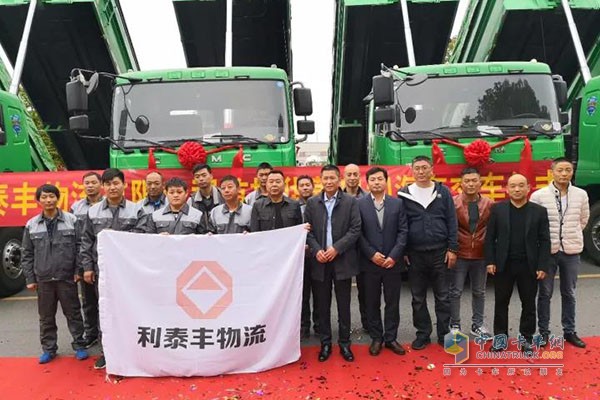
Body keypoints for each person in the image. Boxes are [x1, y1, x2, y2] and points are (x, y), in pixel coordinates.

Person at [80, 168, 140, 369]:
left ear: (124, 185)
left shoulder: (136, 210)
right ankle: (107, 352)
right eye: (108, 184)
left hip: (128, 272)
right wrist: (87, 268)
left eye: (116, 183)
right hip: (102, 271)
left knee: (129, 309)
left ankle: (131, 351)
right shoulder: (93, 211)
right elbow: (86, 241)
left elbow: (143, 237)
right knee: (104, 311)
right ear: (103, 187)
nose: (112, 187)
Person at [22, 184, 88, 364]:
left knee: (73, 313)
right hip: (43, 279)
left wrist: (78, 271)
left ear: (58, 198)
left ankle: (79, 345)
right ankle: (49, 349)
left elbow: (80, 247)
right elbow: (27, 253)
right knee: (46, 317)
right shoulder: (32, 224)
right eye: (44, 197)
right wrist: (30, 278)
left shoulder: (71, 220)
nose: (48, 200)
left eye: (51, 196)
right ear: (38, 200)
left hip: (66, 277)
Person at [485, 174, 550, 353]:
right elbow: (490, 238)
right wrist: (490, 261)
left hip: (529, 265)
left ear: (528, 188)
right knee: (501, 303)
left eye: (521, 185)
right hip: (503, 265)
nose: (517, 189)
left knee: (528, 304)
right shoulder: (498, 209)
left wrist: (542, 265)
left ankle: (526, 339)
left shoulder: (539, 211)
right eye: (513, 186)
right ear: (507, 189)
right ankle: (500, 339)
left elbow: (545, 240)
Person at [398, 155, 458, 350]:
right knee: (418, 298)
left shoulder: (443, 192)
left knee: (443, 296)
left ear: (432, 169)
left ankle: (444, 334)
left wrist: (452, 248)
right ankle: (423, 334)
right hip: (415, 254)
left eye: (425, 168)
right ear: (412, 171)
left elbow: (452, 220)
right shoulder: (404, 194)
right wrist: (404, 250)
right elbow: (402, 225)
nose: (421, 172)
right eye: (417, 168)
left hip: (440, 252)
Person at [304, 165, 361, 362]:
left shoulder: (350, 202)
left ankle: (345, 343)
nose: (329, 182)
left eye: (332, 178)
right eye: (325, 178)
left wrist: (337, 248)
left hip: (342, 259)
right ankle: (325, 343)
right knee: (322, 305)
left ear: (339, 179)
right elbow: (307, 231)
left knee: (344, 305)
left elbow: (355, 229)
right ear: (321, 180)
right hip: (320, 261)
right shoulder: (312, 203)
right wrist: (316, 250)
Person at [530, 158, 589, 348]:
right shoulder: (539, 196)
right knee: (545, 293)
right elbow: (533, 224)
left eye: (568, 170)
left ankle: (569, 331)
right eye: (560, 170)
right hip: (547, 252)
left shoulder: (581, 194)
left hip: (571, 250)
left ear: (572, 172)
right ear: (552, 172)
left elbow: (583, 219)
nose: (564, 174)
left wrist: (571, 235)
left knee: (569, 292)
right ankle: (543, 332)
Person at [358, 167, 408, 356]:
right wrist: (371, 254)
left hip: (392, 263)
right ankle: (376, 338)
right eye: (373, 179)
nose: (376, 182)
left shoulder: (398, 204)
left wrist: (394, 256)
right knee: (371, 302)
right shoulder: (359, 204)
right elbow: (357, 233)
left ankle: (391, 338)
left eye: (380, 179)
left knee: (392, 302)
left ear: (386, 181)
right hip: (369, 262)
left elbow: (403, 231)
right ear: (367, 183)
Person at [449, 168, 494, 340]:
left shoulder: (489, 204)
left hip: (481, 254)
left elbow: (493, 230)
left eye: (474, 180)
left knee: (479, 292)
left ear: (480, 183)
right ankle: (454, 324)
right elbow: (449, 229)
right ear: (461, 183)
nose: (470, 184)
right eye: (467, 181)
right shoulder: (453, 203)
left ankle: (478, 325)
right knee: (455, 291)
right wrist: (451, 250)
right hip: (459, 253)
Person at [70, 172, 103, 348]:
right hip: (85, 260)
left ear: (101, 185)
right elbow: (74, 238)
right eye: (87, 183)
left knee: (105, 301)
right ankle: (91, 333)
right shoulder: (76, 208)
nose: (90, 186)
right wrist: (78, 267)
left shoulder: (107, 205)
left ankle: (105, 333)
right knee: (88, 301)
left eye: (93, 182)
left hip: (103, 260)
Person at [343, 163, 368, 332]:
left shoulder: (367, 198)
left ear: (360, 176)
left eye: (355, 174)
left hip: (363, 250)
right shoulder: (337, 197)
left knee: (365, 291)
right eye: (349, 174)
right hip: (344, 250)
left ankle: (368, 323)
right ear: (343, 177)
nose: (352, 178)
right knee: (343, 293)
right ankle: (344, 327)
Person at [141, 177, 211, 235]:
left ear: (186, 193)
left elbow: (203, 241)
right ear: (166, 193)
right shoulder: (155, 216)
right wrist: (158, 238)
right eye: (171, 192)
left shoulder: (198, 215)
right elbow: (149, 240)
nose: (175, 195)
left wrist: (195, 238)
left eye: (179, 192)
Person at [297, 175, 319, 339]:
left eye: (307, 184)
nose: (305, 188)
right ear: (297, 188)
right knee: (302, 294)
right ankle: (304, 325)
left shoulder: (320, 204)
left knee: (319, 293)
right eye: (302, 185)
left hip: (317, 254)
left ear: (313, 186)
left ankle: (319, 324)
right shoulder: (292, 206)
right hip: (299, 258)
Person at [188, 163, 224, 230]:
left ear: (211, 176)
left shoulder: (223, 195)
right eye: (197, 177)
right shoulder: (191, 200)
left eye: (204, 175)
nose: (201, 179)